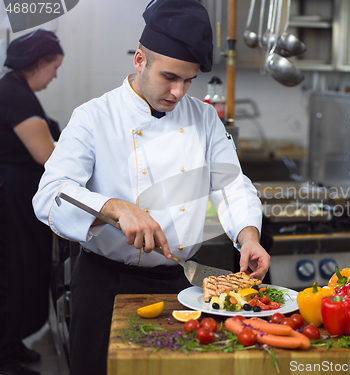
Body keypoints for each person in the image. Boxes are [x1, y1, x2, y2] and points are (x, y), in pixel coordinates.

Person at [32, 1, 271, 375]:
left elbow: (231, 184)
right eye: (170, 77)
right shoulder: (94, 117)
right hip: (105, 282)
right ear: (140, 60)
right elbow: (50, 193)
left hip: (180, 281)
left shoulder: (205, 118)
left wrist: (249, 235)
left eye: (189, 80)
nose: (179, 92)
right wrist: (115, 208)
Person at [0, 29, 64, 375]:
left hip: (17, 197)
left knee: (21, 272)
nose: (55, 75)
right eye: (53, 67)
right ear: (39, 63)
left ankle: (10, 344)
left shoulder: (16, 89)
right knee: (12, 275)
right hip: (8, 201)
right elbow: (46, 154)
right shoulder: (15, 94)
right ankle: (3, 356)